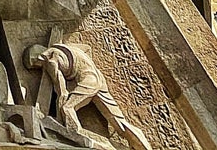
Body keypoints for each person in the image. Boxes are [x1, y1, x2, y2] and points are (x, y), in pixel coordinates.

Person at [24, 42, 152, 150]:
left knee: (67, 108)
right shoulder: (65, 46)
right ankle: (142, 145)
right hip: (97, 77)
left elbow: (61, 90)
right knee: (118, 121)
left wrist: (60, 108)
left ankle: (79, 138)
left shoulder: (50, 61)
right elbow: (87, 48)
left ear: (38, 58)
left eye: (36, 65)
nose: (39, 67)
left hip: (88, 81)